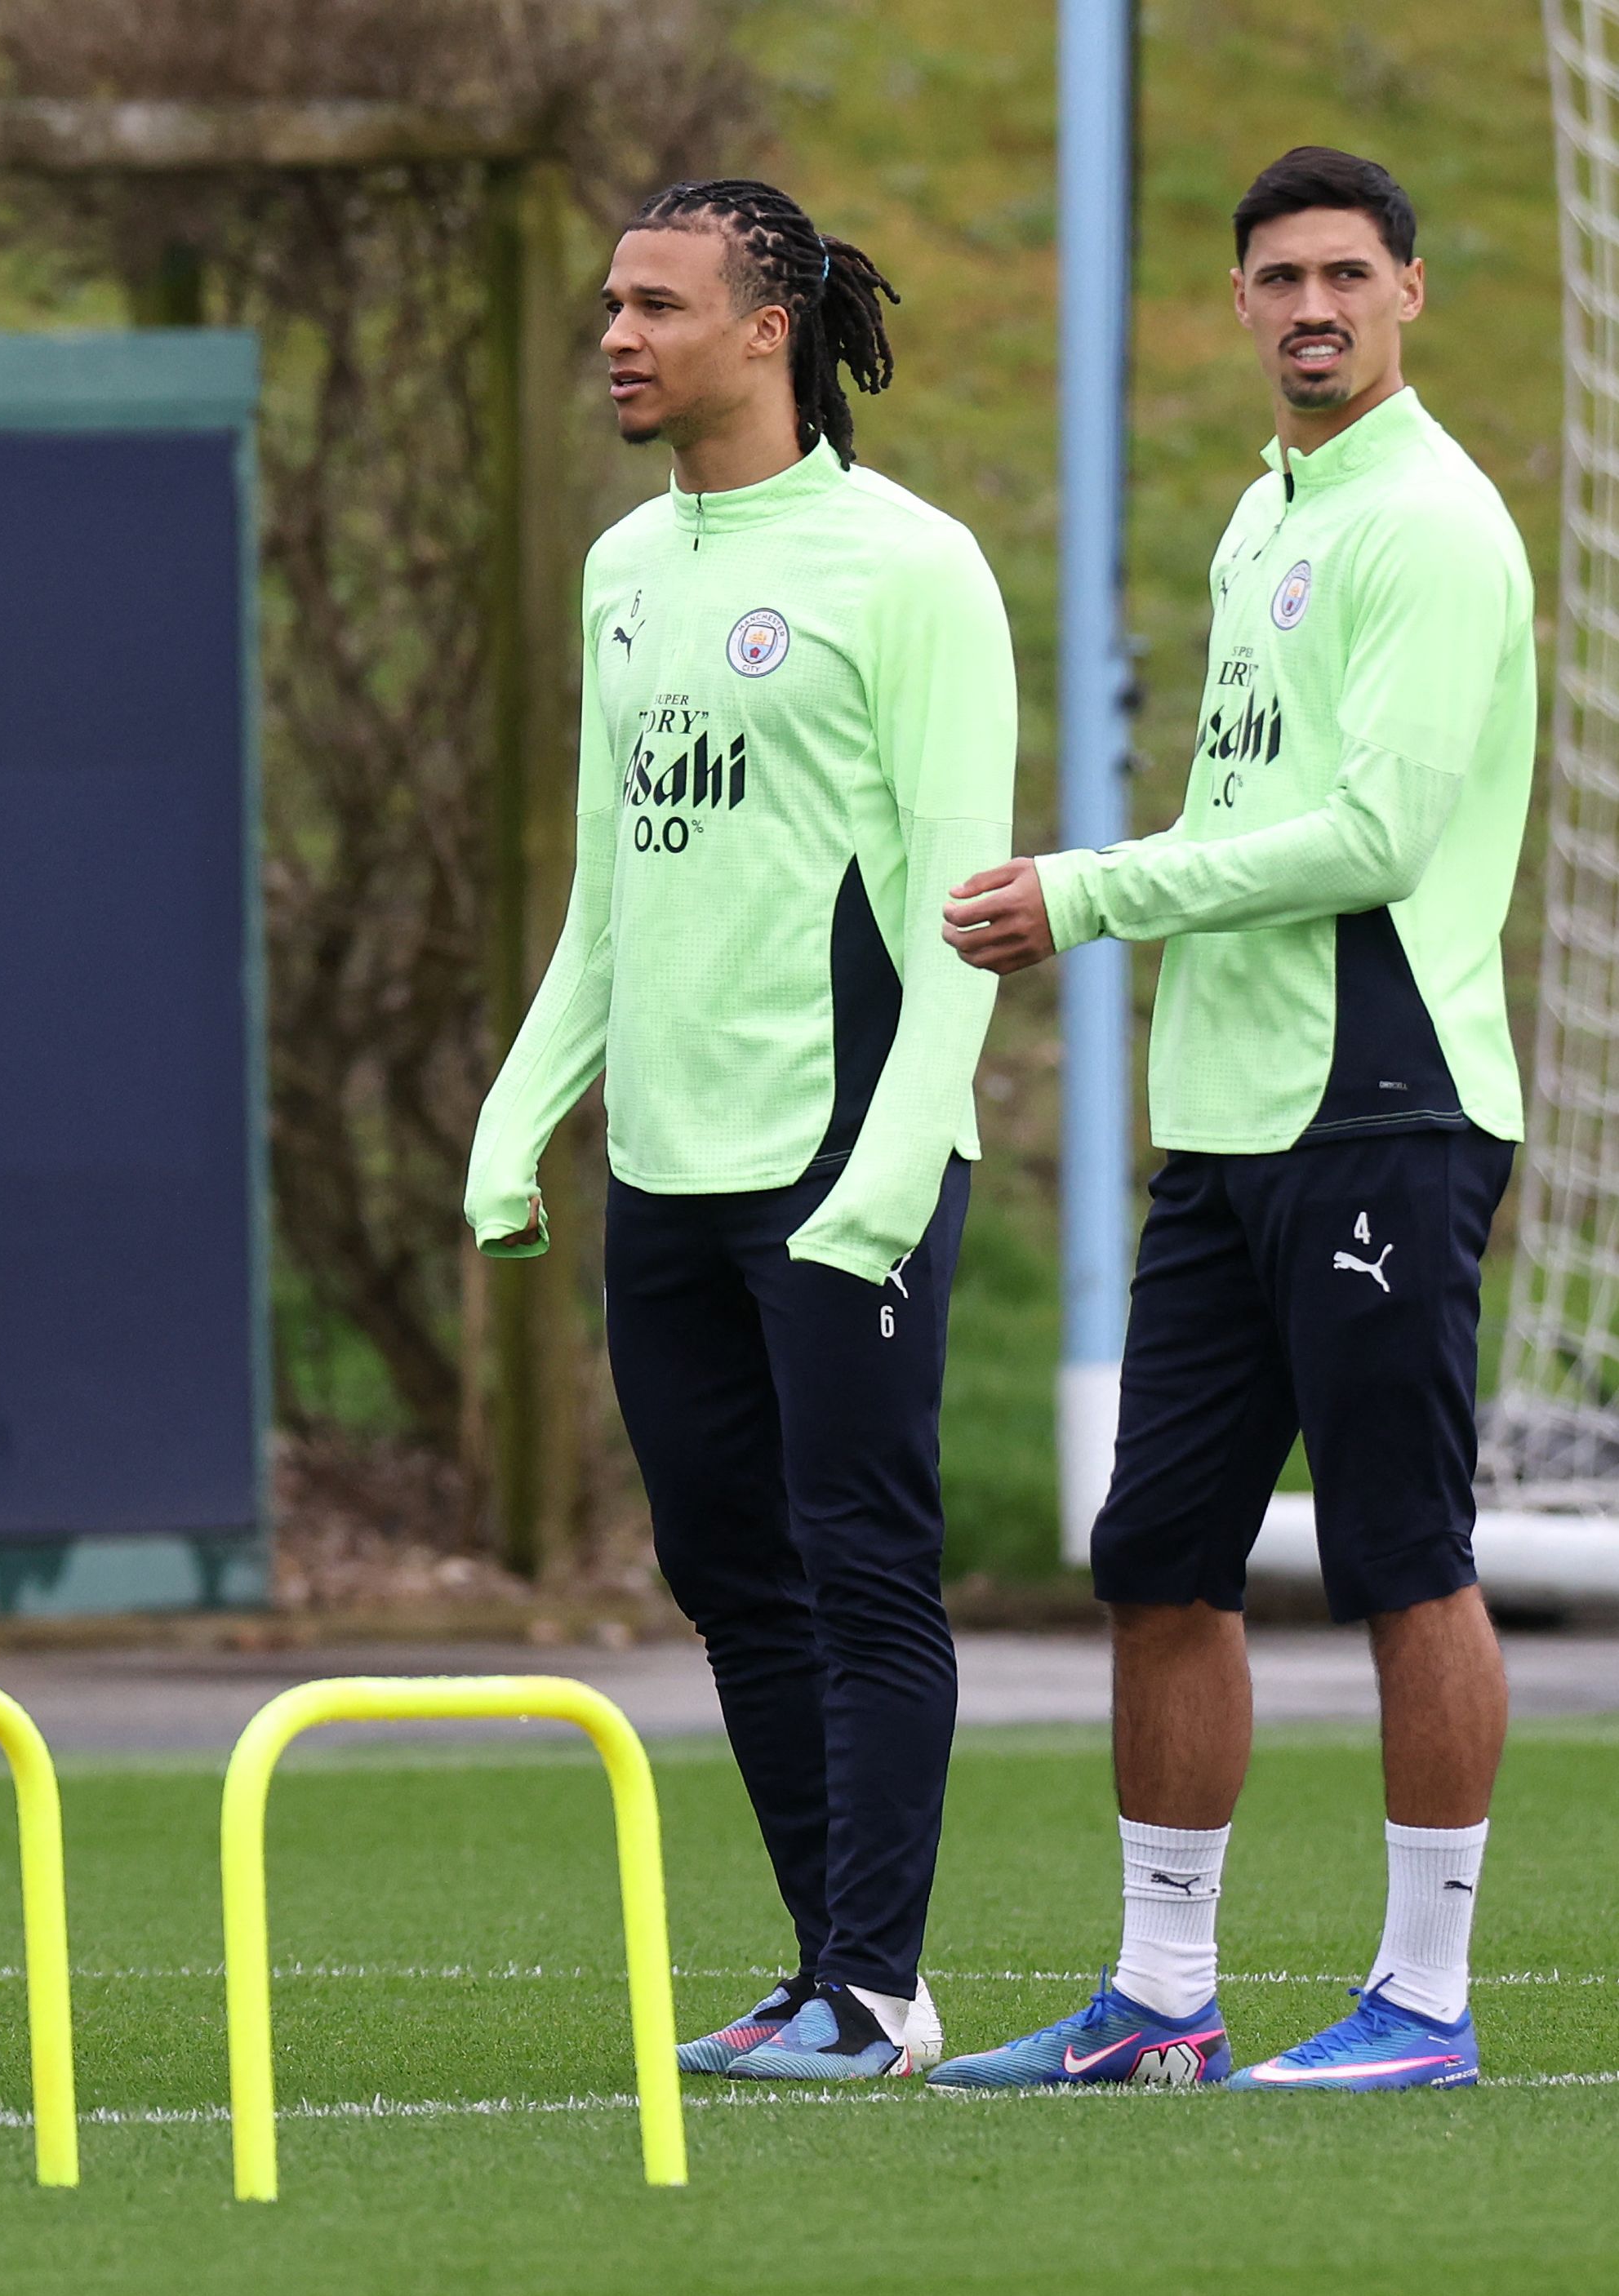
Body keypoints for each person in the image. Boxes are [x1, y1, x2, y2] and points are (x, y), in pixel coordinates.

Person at [932, 149, 1533, 2095]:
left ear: (1408, 292)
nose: (1312, 308)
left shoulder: (1428, 524)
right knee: (1157, 1557)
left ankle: (1422, 2005)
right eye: (1279, 277)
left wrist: (1091, 891)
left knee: (1401, 1555)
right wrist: (1096, 905)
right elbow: (1236, 813)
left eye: (1346, 274)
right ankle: (1160, 1999)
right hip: (1228, 1125)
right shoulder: (1266, 514)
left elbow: (1377, 838)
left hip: (1383, 1108)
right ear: (1239, 302)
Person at [464, 180, 1012, 2081]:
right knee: (727, 1577)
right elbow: (608, 900)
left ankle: (881, 1986)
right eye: (610, 303)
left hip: (842, 1159)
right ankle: (818, 1969)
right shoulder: (624, 569)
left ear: (767, 328)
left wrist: (890, 1170)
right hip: (667, 1175)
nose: (616, 336)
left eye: (658, 306)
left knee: (862, 1566)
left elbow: (960, 911)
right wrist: (520, 1119)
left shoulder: (908, 566)